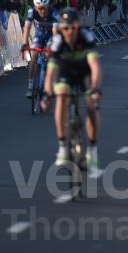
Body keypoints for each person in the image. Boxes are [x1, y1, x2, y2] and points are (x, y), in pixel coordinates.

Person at [44, 9, 102, 170]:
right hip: (66, 72)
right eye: (66, 28)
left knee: (91, 105)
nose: (70, 31)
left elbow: (95, 67)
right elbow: (51, 72)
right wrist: (47, 94)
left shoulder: (86, 37)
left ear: (79, 26)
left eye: (73, 27)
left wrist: (95, 90)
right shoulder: (57, 41)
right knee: (61, 98)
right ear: (61, 28)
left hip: (84, 72)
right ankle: (63, 146)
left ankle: (92, 150)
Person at [21, 0, 58, 99]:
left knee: (50, 56)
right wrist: (24, 43)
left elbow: (56, 32)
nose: (42, 10)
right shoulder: (31, 12)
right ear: (35, 6)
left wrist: (52, 46)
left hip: (51, 36)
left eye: (44, 8)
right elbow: (27, 27)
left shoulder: (54, 13)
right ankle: (30, 86)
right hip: (39, 36)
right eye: (39, 8)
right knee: (34, 56)